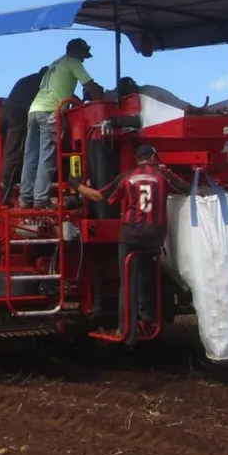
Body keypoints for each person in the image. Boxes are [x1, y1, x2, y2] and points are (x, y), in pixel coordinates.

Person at [81, 143, 191, 342]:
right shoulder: (163, 175)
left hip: (130, 235)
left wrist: (76, 185)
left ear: (136, 159)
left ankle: (126, 331)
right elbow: (187, 190)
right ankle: (148, 317)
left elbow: (98, 196)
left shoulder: (127, 176)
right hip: (154, 236)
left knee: (128, 284)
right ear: (153, 157)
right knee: (149, 275)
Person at [20, 38, 106, 210]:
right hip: (51, 111)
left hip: (34, 110)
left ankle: (25, 198)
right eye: (83, 55)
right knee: (47, 157)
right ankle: (41, 199)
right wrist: (103, 100)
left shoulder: (56, 63)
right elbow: (89, 86)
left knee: (31, 157)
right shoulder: (73, 62)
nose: (83, 59)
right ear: (79, 51)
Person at [0, 66, 48, 205]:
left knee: (6, 151)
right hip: (18, 114)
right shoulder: (42, 83)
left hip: (4, 112)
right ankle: (4, 194)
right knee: (15, 153)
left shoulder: (27, 79)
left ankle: (3, 185)